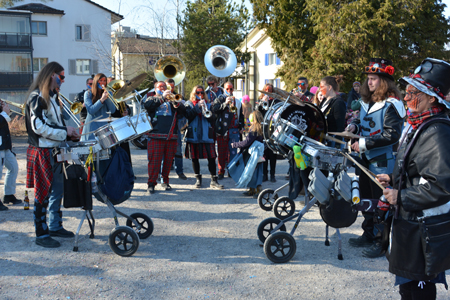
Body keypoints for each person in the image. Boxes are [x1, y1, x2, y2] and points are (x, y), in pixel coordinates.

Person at [377, 58, 450, 300]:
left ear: (432, 98)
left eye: (413, 93)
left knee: (417, 289)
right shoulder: (420, 124)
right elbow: (417, 168)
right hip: (412, 223)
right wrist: (393, 178)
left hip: (423, 228)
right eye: (406, 92)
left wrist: (401, 195)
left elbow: (441, 185)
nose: (406, 98)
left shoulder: (437, 132)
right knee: (408, 286)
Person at [346, 58, 405, 258]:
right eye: (368, 79)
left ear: (384, 81)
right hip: (364, 159)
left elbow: (392, 135)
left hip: (383, 161)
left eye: (374, 79)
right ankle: (369, 232)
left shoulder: (392, 105)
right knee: (365, 199)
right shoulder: (366, 102)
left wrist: (363, 143)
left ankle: (382, 241)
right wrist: (354, 126)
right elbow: (362, 121)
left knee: (382, 202)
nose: (369, 82)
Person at [25, 61, 80, 248]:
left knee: (58, 190)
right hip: (42, 150)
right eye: (61, 76)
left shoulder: (53, 97)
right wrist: (65, 132)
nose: (63, 81)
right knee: (43, 194)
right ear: (51, 75)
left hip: (55, 149)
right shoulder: (36, 97)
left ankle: (55, 226)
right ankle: (41, 233)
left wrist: (69, 132)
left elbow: (55, 124)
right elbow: (38, 126)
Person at [143, 81, 186, 194]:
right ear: (155, 88)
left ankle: (165, 181)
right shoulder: (151, 98)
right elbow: (148, 106)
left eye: (164, 86)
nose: (163, 88)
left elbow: (183, 112)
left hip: (171, 135)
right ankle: (151, 183)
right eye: (160, 86)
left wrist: (177, 103)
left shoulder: (171, 101)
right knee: (154, 162)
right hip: (156, 135)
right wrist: (162, 97)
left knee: (168, 161)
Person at [184, 85, 223, 189]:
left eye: (202, 93)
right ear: (194, 93)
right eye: (198, 93)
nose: (200, 95)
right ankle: (198, 179)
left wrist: (206, 110)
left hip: (207, 134)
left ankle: (214, 180)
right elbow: (188, 116)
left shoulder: (209, 105)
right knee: (194, 158)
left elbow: (213, 119)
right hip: (194, 134)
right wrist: (197, 108)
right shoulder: (189, 104)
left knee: (211, 157)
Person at [212, 81, 245, 180]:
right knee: (222, 152)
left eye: (231, 89)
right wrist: (225, 104)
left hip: (234, 130)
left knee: (233, 152)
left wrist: (241, 126)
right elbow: (215, 110)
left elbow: (241, 116)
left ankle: (231, 171)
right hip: (222, 129)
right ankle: (221, 171)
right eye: (227, 89)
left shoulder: (237, 101)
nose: (229, 91)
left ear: (233, 89)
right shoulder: (219, 99)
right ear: (224, 89)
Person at [231, 110, 264, 196]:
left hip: (252, 154)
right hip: (258, 154)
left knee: (252, 171)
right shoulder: (261, 127)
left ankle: (257, 191)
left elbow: (246, 142)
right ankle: (252, 189)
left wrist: (235, 144)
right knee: (256, 171)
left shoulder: (254, 128)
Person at [81, 73, 117, 141]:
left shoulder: (109, 93)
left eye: (104, 81)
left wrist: (108, 97)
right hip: (91, 129)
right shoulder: (88, 93)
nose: (102, 82)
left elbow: (112, 110)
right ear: (96, 81)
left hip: (103, 129)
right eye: (100, 80)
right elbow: (91, 110)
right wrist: (102, 99)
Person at [0, 100, 22, 211]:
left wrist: (3, 111)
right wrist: (4, 112)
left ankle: (9, 194)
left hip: (4, 145)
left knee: (13, 167)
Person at [165, 78, 187, 180]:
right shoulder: (161, 97)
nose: (171, 89)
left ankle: (180, 171)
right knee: (163, 152)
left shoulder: (177, 96)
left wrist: (178, 102)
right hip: (164, 127)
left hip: (175, 126)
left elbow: (184, 110)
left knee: (178, 151)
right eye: (169, 86)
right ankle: (163, 174)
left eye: (172, 87)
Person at [256, 83, 278, 182]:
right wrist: (262, 102)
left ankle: (272, 174)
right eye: (266, 89)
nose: (268, 92)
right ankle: (264, 174)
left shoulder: (275, 101)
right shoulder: (260, 100)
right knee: (264, 153)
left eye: (270, 90)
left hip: (272, 129)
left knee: (273, 154)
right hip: (263, 129)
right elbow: (257, 112)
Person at [318, 76, 347, 143]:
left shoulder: (338, 103)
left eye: (322, 87)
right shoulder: (324, 100)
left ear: (329, 87)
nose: (320, 89)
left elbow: (340, 128)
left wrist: (337, 145)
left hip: (330, 142)